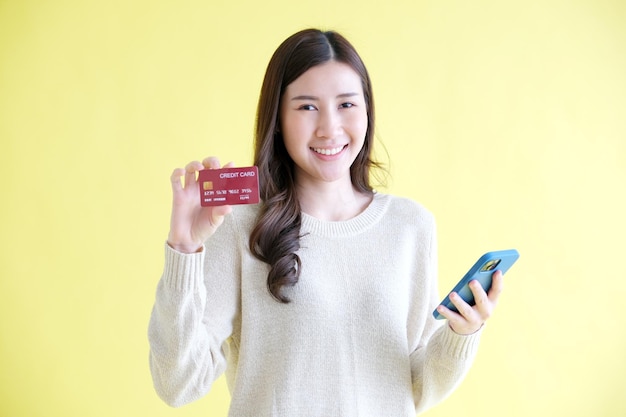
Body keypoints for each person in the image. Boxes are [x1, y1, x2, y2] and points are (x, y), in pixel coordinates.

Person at [148, 28, 503, 416]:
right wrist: (184, 248)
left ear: (367, 110)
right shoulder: (239, 225)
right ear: (278, 119)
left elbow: (415, 386)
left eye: (347, 105)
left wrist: (460, 334)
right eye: (307, 107)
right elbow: (177, 383)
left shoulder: (411, 226)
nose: (330, 128)